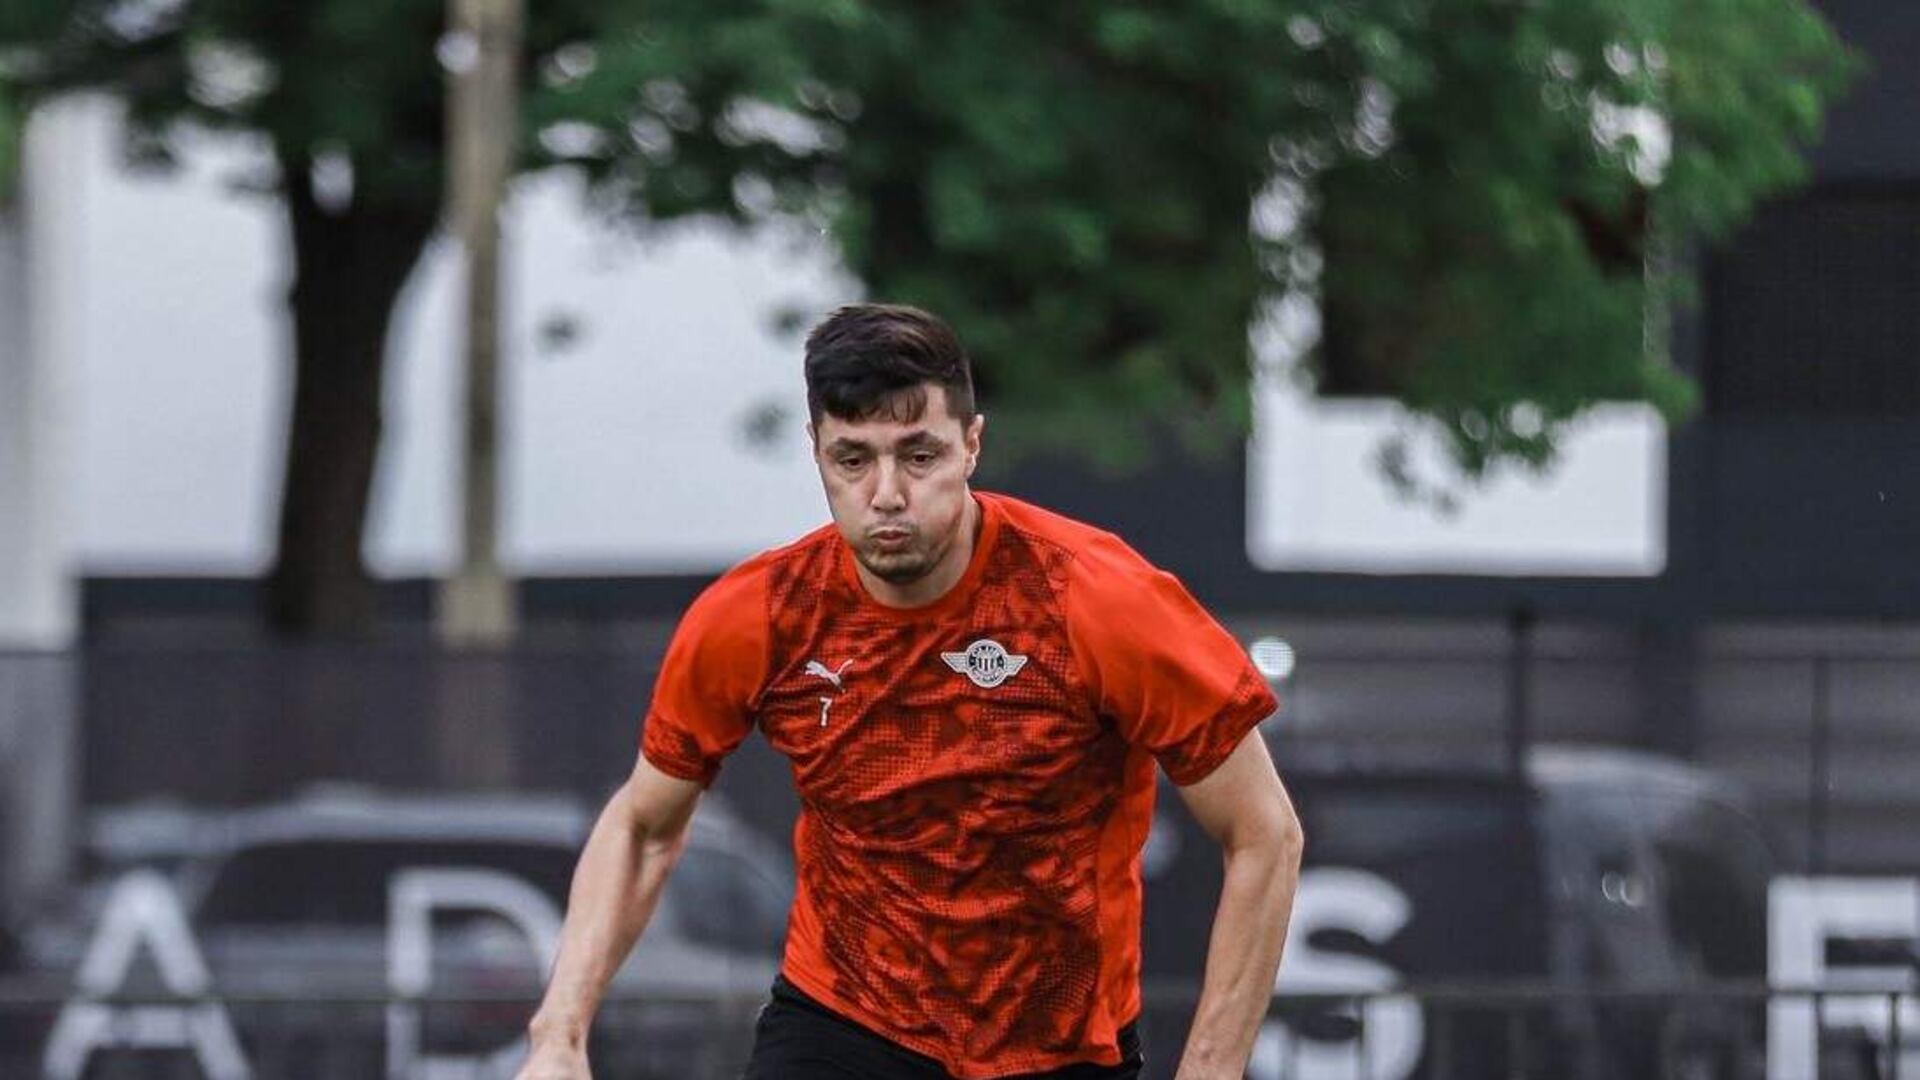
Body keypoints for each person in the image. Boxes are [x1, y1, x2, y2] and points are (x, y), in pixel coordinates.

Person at [515, 303, 1303, 1080]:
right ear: (817, 454)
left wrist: (1211, 1070)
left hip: (1060, 1049)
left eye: (917, 455)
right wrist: (559, 1033)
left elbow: (1264, 833)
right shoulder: (758, 617)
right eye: (852, 459)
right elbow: (646, 828)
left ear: (972, 445)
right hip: (841, 1026)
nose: (886, 492)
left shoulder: (1098, 601)